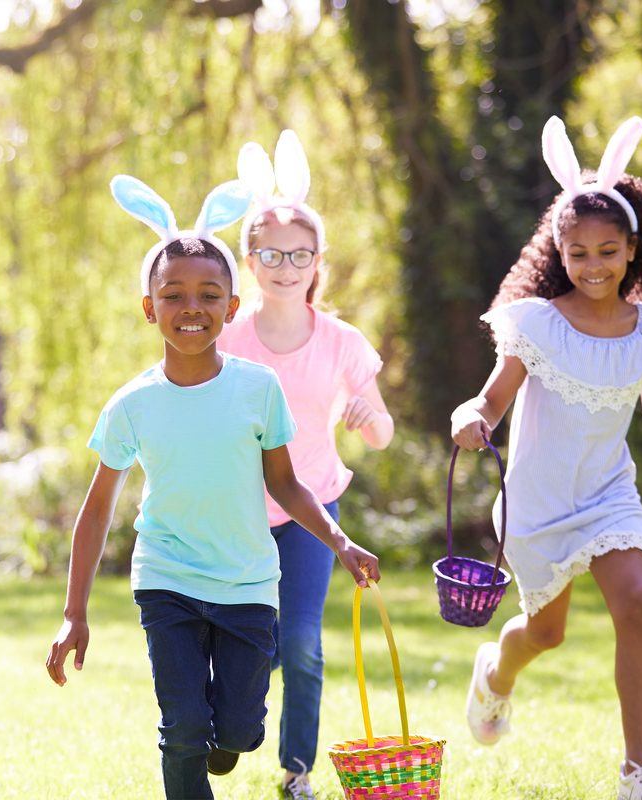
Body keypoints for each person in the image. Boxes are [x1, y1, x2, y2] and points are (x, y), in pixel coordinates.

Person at [45, 173, 381, 800]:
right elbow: (94, 514)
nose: (190, 306)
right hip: (166, 578)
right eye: (173, 294)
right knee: (182, 728)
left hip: (248, 583)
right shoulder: (132, 404)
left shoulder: (258, 389)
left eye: (208, 293)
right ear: (150, 308)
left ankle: (224, 737)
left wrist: (340, 541)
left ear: (232, 307)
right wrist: (74, 613)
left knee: (238, 731)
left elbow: (286, 481)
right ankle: (195, 744)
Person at [451, 116, 642, 800]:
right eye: (579, 252)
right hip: (540, 499)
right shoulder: (535, 323)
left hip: (609, 493)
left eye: (608, 251)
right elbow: (494, 397)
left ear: (632, 248)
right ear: (558, 249)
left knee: (639, 603)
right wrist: (473, 417)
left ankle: (637, 769)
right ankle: (496, 673)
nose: (594, 266)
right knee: (546, 633)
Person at [216, 130, 393, 800]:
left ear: (318, 260)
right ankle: (229, 728)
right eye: (270, 254)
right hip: (235, 513)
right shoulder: (229, 337)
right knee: (245, 640)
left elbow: (381, 430)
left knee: (300, 644)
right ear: (250, 259)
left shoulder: (342, 341)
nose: (286, 265)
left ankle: (297, 771)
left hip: (313, 514)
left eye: (299, 254)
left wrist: (367, 419)